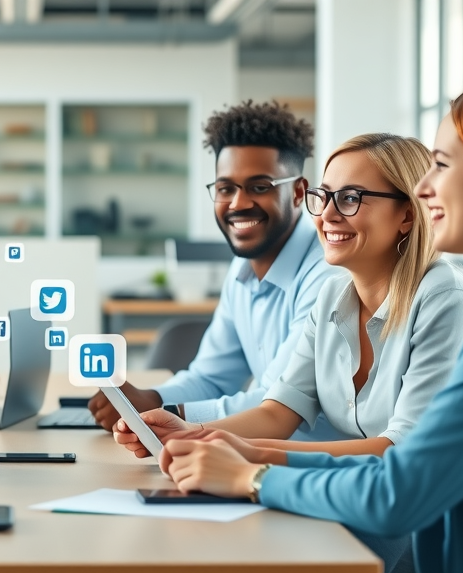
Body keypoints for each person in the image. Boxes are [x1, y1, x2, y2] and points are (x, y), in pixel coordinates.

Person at [137, 82, 463, 573]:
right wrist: (222, 444)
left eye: (443, 165)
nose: (427, 186)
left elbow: (399, 483)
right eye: (326, 196)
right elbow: (289, 416)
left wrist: (253, 475)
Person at [114, 134, 463, 461]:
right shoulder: (333, 297)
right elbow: (279, 411)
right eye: (324, 197)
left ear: (407, 214)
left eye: (351, 198)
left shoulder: (445, 299)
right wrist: (188, 433)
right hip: (352, 493)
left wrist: (243, 451)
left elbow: (401, 450)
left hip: (422, 523)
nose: (327, 215)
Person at [87, 100, 342, 439]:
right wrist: (151, 399)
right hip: (254, 456)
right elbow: (212, 377)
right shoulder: (242, 270)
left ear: (298, 192)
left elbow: (274, 404)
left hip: (313, 467)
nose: (238, 203)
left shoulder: (328, 275)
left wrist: (165, 414)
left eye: (259, 187)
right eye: (225, 188)